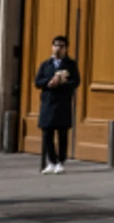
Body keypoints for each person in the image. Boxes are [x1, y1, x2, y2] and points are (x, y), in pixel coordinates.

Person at [34, 36, 80, 172]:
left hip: (62, 103)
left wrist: (61, 82)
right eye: (55, 45)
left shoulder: (71, 64)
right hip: (48, 102)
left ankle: (61, 161)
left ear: (66, 48)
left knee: (62, 133)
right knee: (47, 132)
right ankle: (51, 161)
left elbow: (76, 81)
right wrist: (48, 82)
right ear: (52, 47)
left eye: (61, 46)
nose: (58, 48)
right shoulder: (45, 64)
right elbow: (37, 81)